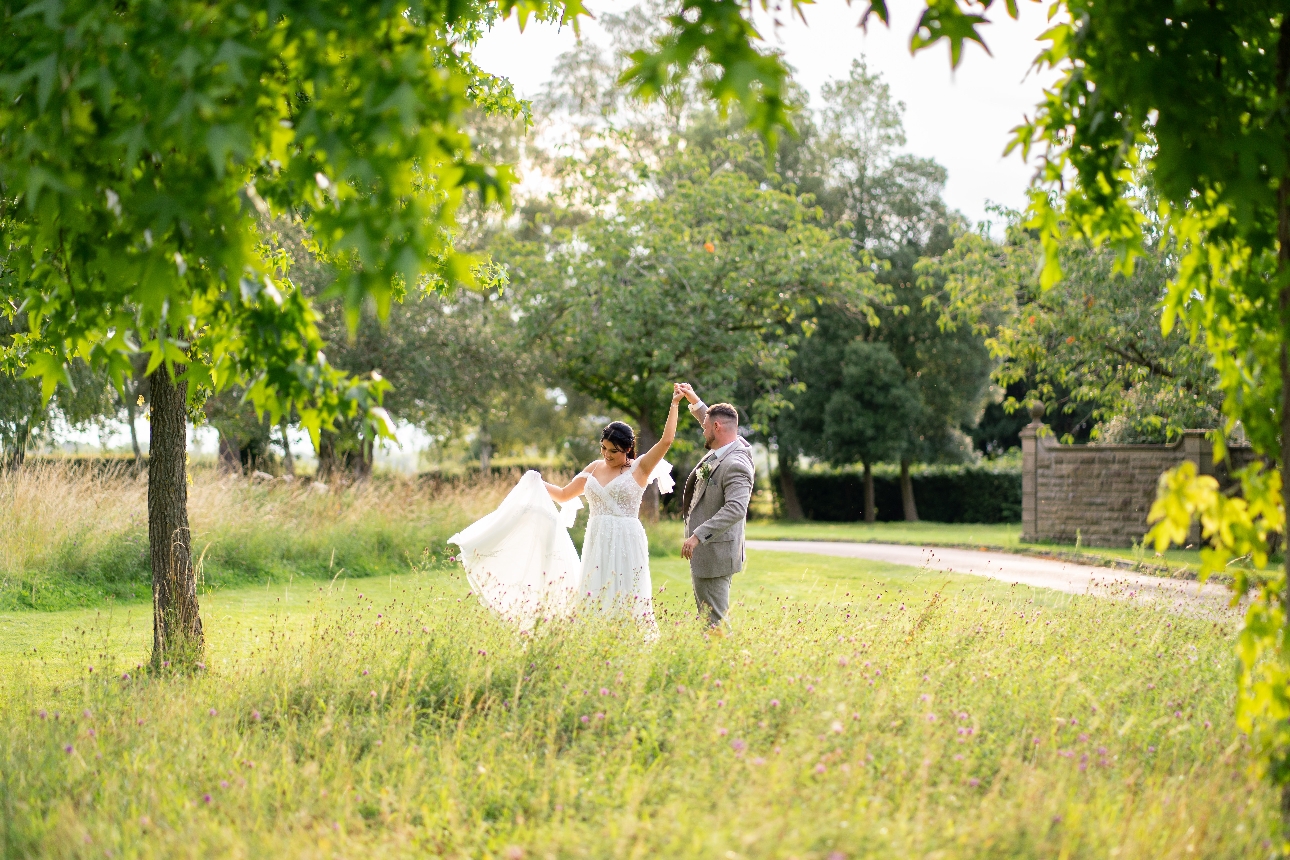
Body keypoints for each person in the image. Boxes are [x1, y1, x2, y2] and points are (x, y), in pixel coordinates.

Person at [449, 385, 683, 630]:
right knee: (595, 590)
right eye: (603, 448)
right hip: (597, 537)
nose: (607, 455)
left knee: (625, 591)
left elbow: (666, 440)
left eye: (614, 451)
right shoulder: (594, 468)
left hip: (626, 537)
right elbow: (563, 495)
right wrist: (536, 481)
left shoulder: (640, 468)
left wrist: (675, 404)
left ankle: (629, 639)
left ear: (627, 449)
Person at [676, 384, 754, 629]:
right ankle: (714, 662)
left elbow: (736, 509)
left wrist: (698, 535)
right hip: (708, 554)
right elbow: (712, 420)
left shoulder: (736, 463)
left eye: (706, 428)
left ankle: (724, 664)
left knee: (715, 622)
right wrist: (695, 400)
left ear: (717, 428)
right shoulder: (727, 444)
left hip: (715, 553)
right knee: (708, 619)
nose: (703, 432)